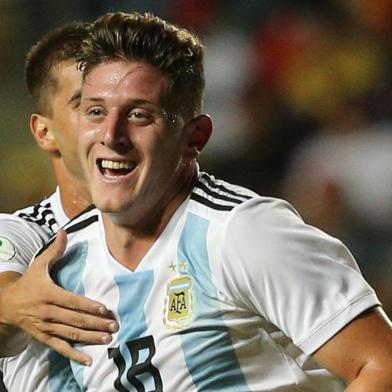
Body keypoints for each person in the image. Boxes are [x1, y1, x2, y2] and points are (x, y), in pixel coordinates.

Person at [46, 11, 392, 391]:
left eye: (139, 115)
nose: (111, 134)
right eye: (96, 111)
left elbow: (381, 365)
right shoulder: (61, 264)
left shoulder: (243, 234)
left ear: (195, 138)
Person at [0, 22, 119, 391]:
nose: (111, 127)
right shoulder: (23, 233)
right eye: (89, 107)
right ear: (44, 132)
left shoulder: (198, 225)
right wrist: (11, 307)